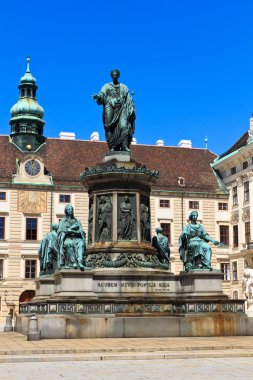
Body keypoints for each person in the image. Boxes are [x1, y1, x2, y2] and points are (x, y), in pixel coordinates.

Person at [92, 69, 136, 152]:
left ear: (118, 75)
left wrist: (131, 107)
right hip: (110, 106)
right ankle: (112, 146)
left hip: (122, 108)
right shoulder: (106, 86)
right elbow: (102, 94)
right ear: (111, 76)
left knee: (124, 126)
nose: (115, 76)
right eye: (113, 74)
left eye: (116, 74)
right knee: (109, 126)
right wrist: (98, 97)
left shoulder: (124, 87)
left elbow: (128, 99)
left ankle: (124, 145)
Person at [57, 205, 86, 270]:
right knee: (68, 243)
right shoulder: (63, 221)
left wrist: (72, 231)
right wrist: (66, 232)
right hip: (68, 238)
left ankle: (80, 262)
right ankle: (73, 262)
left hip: (77, 238)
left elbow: (82, 231)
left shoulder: (77, 221)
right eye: (69, 209)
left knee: (81, 244)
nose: (71, 210)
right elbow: (59, 232)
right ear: (66, 211)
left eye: (72, 209)